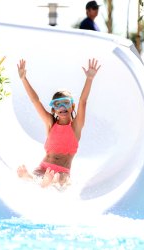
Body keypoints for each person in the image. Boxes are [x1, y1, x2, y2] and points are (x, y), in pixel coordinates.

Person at [17, 58, 101, 190]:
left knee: (61, 182)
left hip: (62, 170)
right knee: (36, 180)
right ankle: (36, 179)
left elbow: (83, 101)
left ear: (72, 107)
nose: (62, 106)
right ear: (54, 110)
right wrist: (23, 79)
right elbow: (35, 101)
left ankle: (46, 182)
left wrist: (89, 78)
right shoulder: (50, 123)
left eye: (66, 103)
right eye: (57, 104)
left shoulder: (76, 126)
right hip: (43, 166)